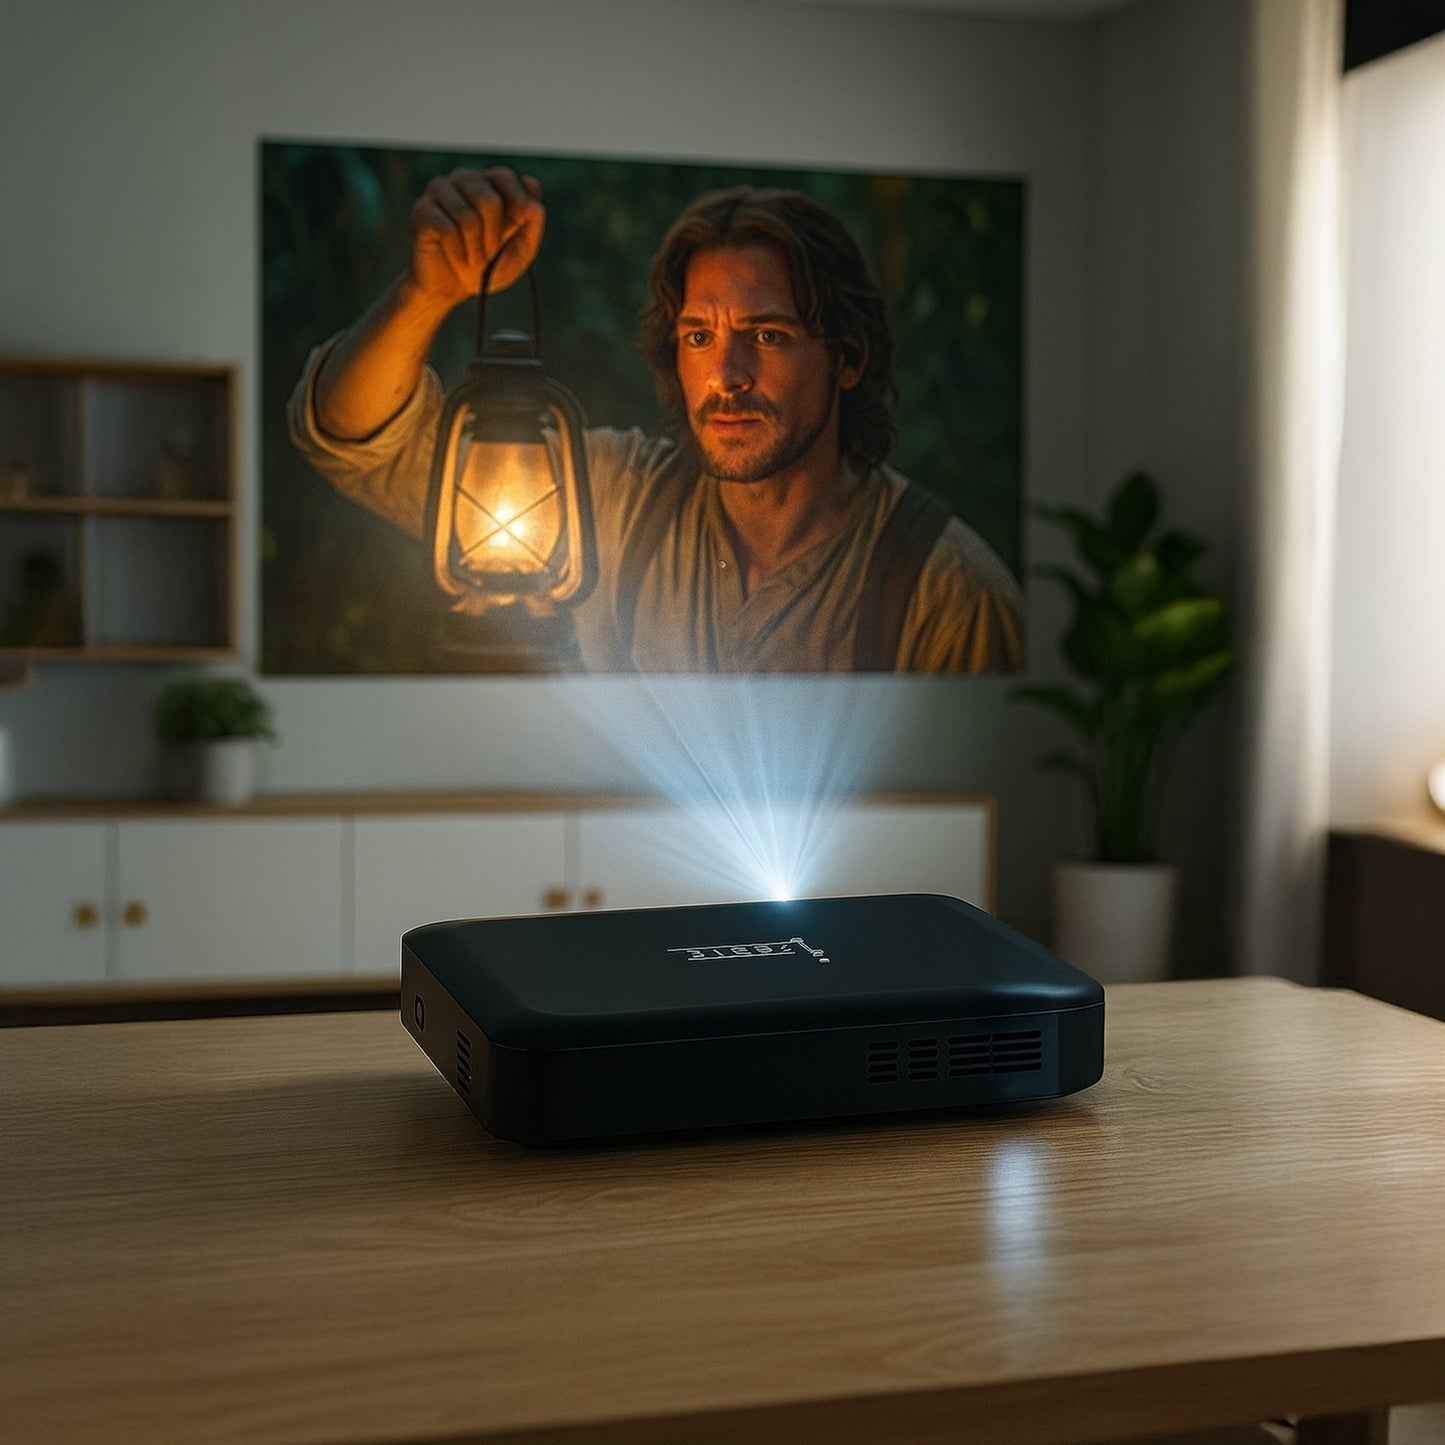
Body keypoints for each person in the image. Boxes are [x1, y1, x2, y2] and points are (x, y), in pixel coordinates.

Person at [288, 166, 1024, 673]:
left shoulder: (950, 594)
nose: (727, 375)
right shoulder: (609, 500)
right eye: (698, 337)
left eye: (766, 336)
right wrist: (428, 290)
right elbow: (359, 441)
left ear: (848, 357)